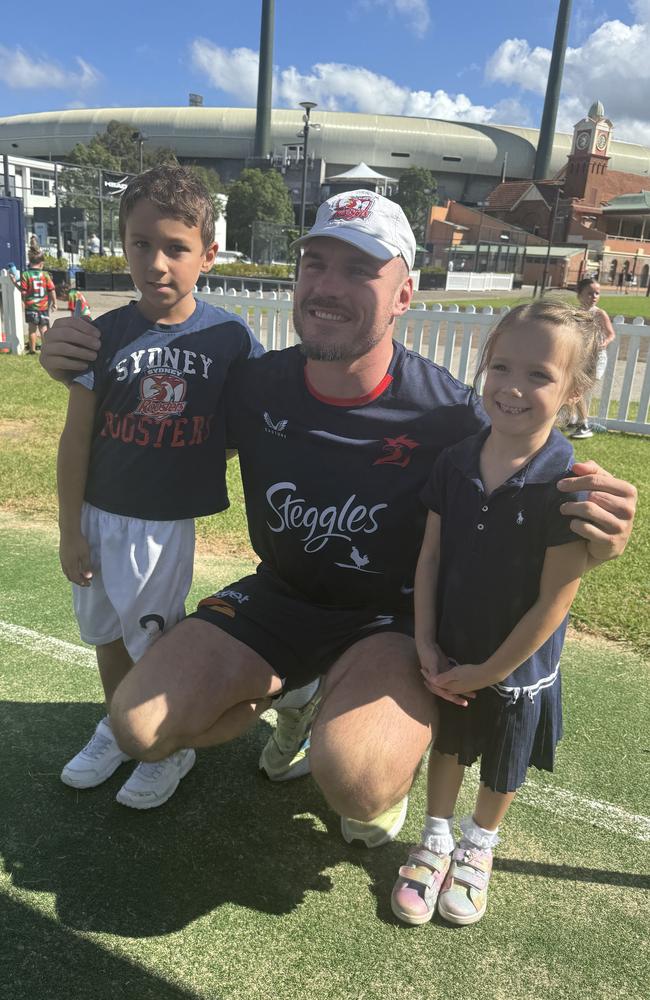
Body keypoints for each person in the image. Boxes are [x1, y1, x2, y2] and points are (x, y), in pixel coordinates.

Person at [41, 190, 637, 850]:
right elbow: (145, 416)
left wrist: (593, 526)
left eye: (359, 271)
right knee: (137, 727)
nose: (326, 287)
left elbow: (530, 484)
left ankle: (356, 730)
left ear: (404, 295)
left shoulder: (452, 415)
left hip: (393, 621)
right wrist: (75, 359)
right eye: (315, 264)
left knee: (356, 780)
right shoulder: (254, 383)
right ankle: (297, 696)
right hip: (280, 597)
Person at [56, 164, 262, 809]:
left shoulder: (230, 338)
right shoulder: (103, 335)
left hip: (160, 521)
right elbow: (77, 438)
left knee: (152, 637)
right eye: (141, 243)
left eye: (176, 247)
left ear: (209, 253)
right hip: (96, 514)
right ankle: (120, 727)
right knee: (107, 635)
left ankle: (167, 746)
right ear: (123, 242)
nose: (157, 262)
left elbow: (247, 426)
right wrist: (69, 529)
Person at [391, 300, 600, 928]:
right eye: (501, 366)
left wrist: (491, 671)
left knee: (504, 761)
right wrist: (426, 642)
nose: (512, 387)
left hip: (516, 665)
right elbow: (428, 557)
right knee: (449, 746)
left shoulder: (567, 482)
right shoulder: (455, 461)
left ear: (573, 391)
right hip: (452, 648)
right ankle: (435, 841)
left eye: (539, 375)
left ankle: (479, 847)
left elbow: (555, 599)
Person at [571, 278, 616, 439]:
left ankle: (584, 425)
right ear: (580, 295)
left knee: (577, 390)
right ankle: (578, 421)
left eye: (597, 293)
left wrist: (604, 342)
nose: (594, 296)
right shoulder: (574, 314)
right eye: (590, 293)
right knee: (573, 388)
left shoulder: (599, 313)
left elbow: (611, 334)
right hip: (580, 358)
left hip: (596, 359)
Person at [20, 250, 56, 353]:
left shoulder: (26, 274)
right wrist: (54, 302)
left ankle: (32, 349)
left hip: (31, 307)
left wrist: (23, 300)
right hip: (43, 306)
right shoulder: (45, 275)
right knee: (44, 328)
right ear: (41, 263)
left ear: (29, 262)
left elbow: (24, 292)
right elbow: (51, 290)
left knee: (32, 329)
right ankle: (46, 349)